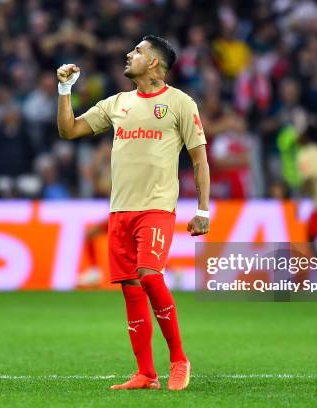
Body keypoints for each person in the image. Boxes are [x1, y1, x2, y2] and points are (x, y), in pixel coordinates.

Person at [56, 35, 210, 391]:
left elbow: (199, 159)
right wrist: (65, 89)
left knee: (149, 276)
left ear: (154, 62)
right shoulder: (117, 103)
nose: (129, 54)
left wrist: (203, 210)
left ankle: (179, 360)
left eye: (138, 51)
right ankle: (145, 374)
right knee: (130, 288)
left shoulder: (180, 103)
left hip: (156, 208)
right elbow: (69, 130)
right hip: (119, 210)